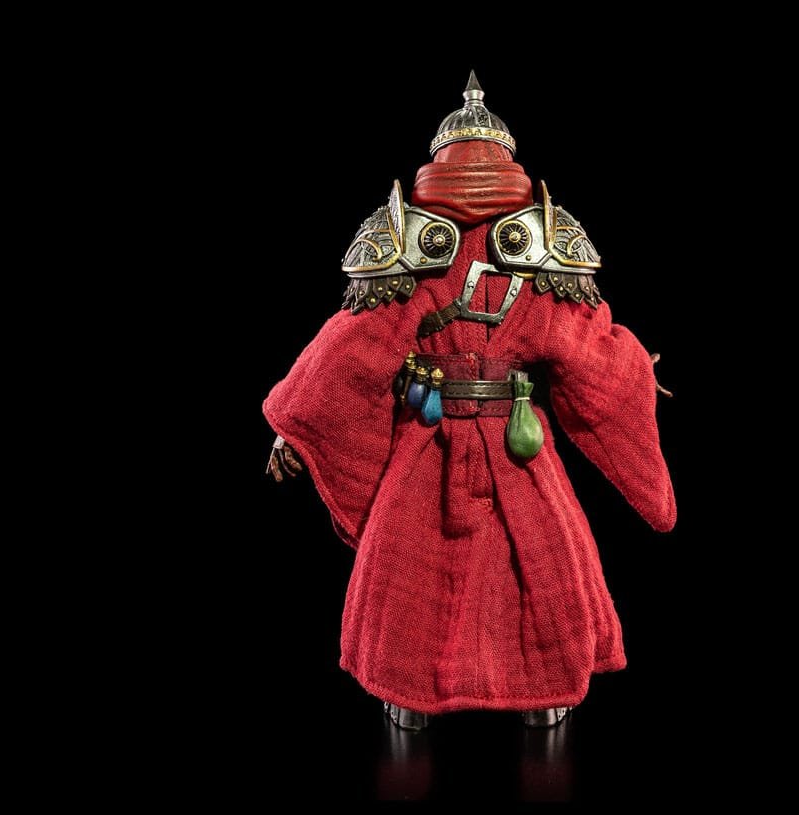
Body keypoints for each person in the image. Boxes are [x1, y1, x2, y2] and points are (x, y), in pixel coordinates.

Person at [264, 72, 676, 730]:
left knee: (420, 568)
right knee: (529, 562)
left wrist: (295, 423)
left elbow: (349, 350)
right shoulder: (531, 259)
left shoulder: (413, 258)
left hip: (459, 439)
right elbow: (587, 345)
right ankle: (523, 692)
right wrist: (630, 371)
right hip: (502, 442)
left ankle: (430, 696)